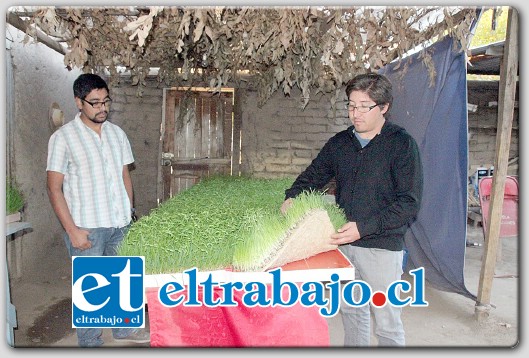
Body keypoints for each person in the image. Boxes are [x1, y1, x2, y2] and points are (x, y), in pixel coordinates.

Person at [281, 73, 423, 347]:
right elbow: (313, 176)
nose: (355, 113)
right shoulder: (340, 144)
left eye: (363, 106)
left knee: (387, 319)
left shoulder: (401, 145)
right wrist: (292, 197)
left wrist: (363, 227)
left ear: (383, 107)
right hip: (343, 245)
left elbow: (409, 203)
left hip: (381, 246)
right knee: (351, 311)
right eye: (351, 105)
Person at [46, 73, 149, 347]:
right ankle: (91, 342)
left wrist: (129, 213)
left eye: (106, 101)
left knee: (123, 278)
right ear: (79, 103)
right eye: (95, 103)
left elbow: (125, 175)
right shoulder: (63, 138)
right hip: (86, 227)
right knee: (92, 288)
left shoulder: (117, 134)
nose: (103, 108)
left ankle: (124, 330)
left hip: (119, 222)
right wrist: (72, 231)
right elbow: (54, 188)